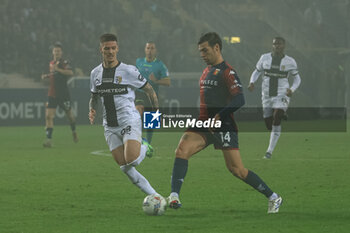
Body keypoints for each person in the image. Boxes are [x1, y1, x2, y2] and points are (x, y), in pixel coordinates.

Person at [167, 32, 282, 214]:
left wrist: (220, 115)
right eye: (200, 52)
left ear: (217, 48)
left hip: (223, 126)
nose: (202, 55)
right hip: (204, 124)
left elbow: (240, 100)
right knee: (181, 150)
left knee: (237, 170)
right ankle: (174, 196)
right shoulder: (206, 71)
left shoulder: (228, 72)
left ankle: (273, 197)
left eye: (205, 51)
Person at [89, 33, 160, 196]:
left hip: (129, 120)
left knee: (133, 160)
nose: (110, 52)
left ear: (117, 49)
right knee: (125, 167)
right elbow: (93, 96)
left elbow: (149, 89)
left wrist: (156, 113)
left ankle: (145, 146)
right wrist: (92, 109)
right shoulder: (95, 74)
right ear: (101, 49)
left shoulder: (128, 71)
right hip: (109, 126)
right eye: (107, 48)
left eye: (113, 48)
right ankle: (155, 196)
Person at [248, 37, 301, 159]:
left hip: (282, 93)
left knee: (276, 118)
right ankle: (282, 113)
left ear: (284, 46)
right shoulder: (264, 58)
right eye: (275, 44)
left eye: (279, 44)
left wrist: (292, 89)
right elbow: (256, 71)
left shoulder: (290, 61)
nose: (277, 46)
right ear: (272, 45)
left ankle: (269, 152)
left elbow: (297, 78)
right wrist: (252, 82)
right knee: (269, 125)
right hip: (266, 95)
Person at [41, 42, 78, 147]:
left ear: (61, 53)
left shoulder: (64, 63)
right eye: (55, 51)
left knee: (70, 116)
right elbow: (53, 75)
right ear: (53, 52)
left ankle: (74, 131)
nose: (57, 52)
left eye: (58, 51)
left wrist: (58, 69)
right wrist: (46, 76)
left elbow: (70, 73)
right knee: (48, 116)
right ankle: (48, 140)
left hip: (63, 94)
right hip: (52, 93)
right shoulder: (51, 63)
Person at [135, 41, 170, 143]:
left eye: (152, 48)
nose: (150, 50)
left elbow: (168, 82)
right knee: (139, 110)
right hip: (140, 92)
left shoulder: (160, 65)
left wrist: (156, 81)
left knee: (150, 123)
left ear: (156, 51)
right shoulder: (139, 62)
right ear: (145, 50)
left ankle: (148, 144)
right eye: (148, 48)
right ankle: (137, 139)